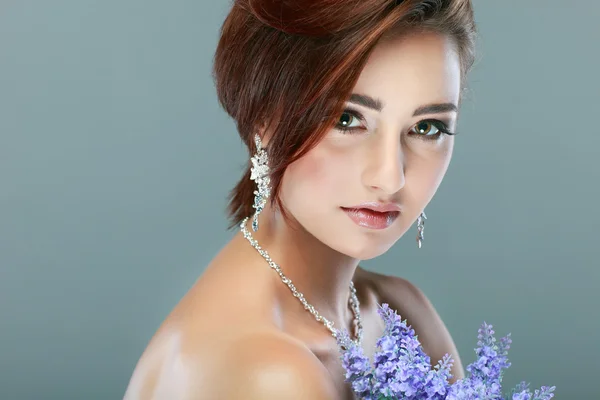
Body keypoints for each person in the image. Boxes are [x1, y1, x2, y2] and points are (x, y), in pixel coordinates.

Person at [124, 0, 477, 398]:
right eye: (346, 119)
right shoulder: (270, 371)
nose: (389, 177)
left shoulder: (402, 312)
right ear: (263, 119)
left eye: (426, 127)